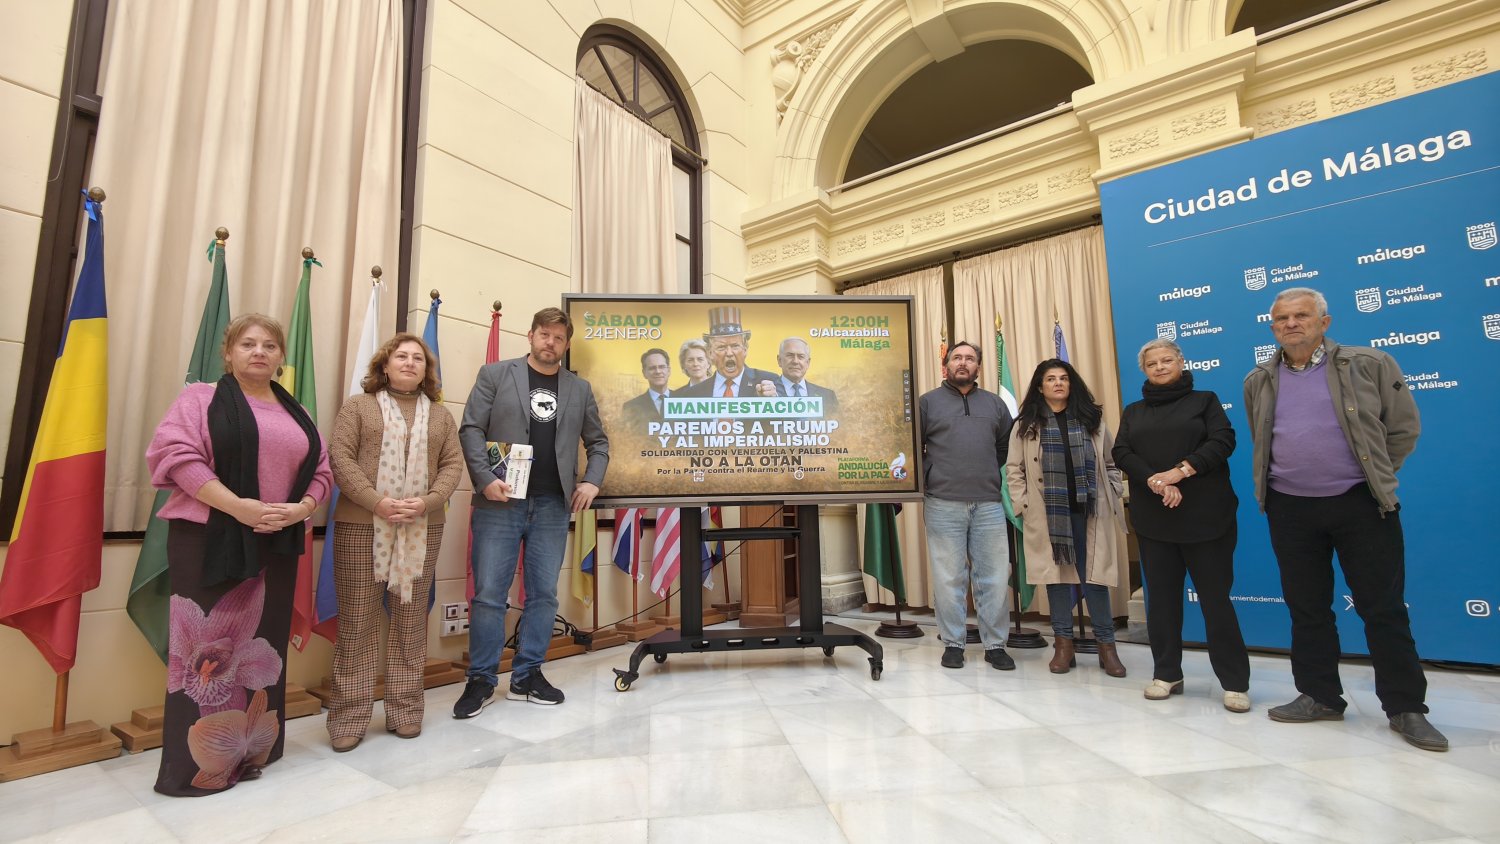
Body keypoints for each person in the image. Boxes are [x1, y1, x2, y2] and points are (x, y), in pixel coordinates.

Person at [1244, 287, 1446, 751]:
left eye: (1301, 316)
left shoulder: (1368, 364)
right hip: (1290, 507)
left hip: (1360, 504)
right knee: (1307, 607)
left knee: (1383, 608)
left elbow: (1403, 428)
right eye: (1281, 319)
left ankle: (1406, 708)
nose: (1291, 324)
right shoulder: (1258, 379)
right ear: (1272, 327)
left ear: (1324, 322)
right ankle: (1319, 696)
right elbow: (1263, 438)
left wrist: (1372, 473)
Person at [145, 314, 331, 796]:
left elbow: (322, 470)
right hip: (210, 540)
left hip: (279, 540)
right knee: (205, 655)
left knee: (261, 649)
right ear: (227, 352)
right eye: (247, 344)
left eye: (270, 345)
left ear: (281, 357)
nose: (259, 352)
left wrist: (301, 509)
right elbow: (175, 456)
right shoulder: (200, 399)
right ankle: (198, 770)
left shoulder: (298, 411)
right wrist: (239, 508)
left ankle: (251, 753)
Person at [455, 307, 608, 716]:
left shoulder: (580, 389)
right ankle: (481, 680)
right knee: (489, 595)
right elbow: (470, 428)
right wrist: (484, 477)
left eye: (558, 338)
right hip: (499, 502)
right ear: (530, 336)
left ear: (567, 344)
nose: (550, 343)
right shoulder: (495, 375)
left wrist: (592, 480)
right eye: (544, 335)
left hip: (552, 505)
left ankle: (527, 675)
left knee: (543, 595)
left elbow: (599, 443)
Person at [326, 333, 463, 751]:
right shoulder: (358, 408)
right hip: (361, 526)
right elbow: (340, 457)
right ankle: (349, 717)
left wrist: (427, 502)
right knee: (357, 621)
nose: (409, 363)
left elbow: (453, 464)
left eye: (417, 359)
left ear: (426, 370)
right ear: (384, 366)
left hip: (423, 527)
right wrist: (377, 502)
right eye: (400, 357)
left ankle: (405, 709)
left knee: (409, 621)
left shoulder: (440, 417)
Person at [1114, 338, 1250, 712]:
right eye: (1152, 363)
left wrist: (1179, 473)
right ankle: (1167, 673)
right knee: (1162, 603)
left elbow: (1224, 440)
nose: (1160, 367)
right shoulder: (1134, 410)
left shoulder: (1204, 401)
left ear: (1180, 362)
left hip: (1207, 518)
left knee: (1216, 602)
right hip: (1154, 518)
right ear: (1143, 370)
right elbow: (1121, 452)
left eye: (1167, 360)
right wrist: (1157, 482)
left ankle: (1235, 682)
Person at [1006, 359, 1127, 677]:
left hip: (1090, 512)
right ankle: (1064, 645)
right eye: (1050, 379)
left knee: (1095, 580)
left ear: (1071, 384)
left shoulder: (1093, 421)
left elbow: (1111, 463)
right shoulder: (1026, 425)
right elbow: (1013, 470)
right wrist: (1023, 505)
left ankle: (1106, 647)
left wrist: (1112, 490)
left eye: (1064, 378)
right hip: (1048, 516)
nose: (1058, 383)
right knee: (1057, 581)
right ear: (1040, 386)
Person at [918, 341, 1016, 670]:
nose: (963, 363)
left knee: (994, 577)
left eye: (970, 358)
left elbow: (1004, 449)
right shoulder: (927, 403)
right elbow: (916, 450)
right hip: (943, 502)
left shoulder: (995, 405)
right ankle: (953, 643)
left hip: (988, 503)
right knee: (949, 579)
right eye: (957, 358)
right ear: (946, 365)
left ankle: (995, 645)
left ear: (979, 367)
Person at [675, 306, 779, 398]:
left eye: (735, 346)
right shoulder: (693, 394)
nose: (729, 353)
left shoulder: (768, 381)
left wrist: (775, 401)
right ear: (710, 353)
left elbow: (787, 418)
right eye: (721, 347)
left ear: (745, 350)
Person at [774, 337, 838, 412]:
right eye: (790, 355)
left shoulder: (828, 396)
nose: (795, 361)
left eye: (801, 357)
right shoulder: (764, 393)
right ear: (779, 360)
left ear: (808, 363)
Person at [622, 347, 672, 427]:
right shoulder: (631, 407)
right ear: (644, 373)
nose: (658, 371)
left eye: (662, 367)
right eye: (652, 368)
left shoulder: (684, 401)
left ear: (669, 371)